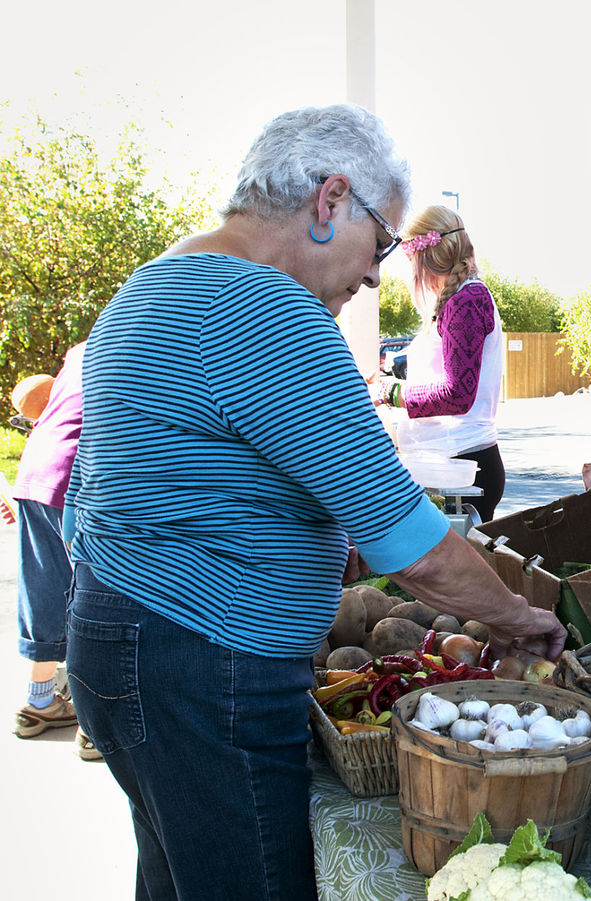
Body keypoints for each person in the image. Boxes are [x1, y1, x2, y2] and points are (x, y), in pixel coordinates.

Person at [63, 104, 565, 901]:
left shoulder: (154, 282)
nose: (375, 273)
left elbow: (156, 481)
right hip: (203, 663)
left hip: (125, 642)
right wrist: (522, 618)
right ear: (331, 202)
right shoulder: (263, 309)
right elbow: (420, 548)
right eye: (383, 242)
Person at [374, 205, 506, 521]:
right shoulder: (459, 300)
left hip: (460, 465)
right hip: (452, 463)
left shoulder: (467, 300)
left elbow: (457, 393)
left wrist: (392, 392)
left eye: (410, 261)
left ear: (425, 257)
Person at [10, 342, 101, 760]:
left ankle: (39, 702)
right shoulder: (129, 341)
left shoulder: (80, 349)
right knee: (93, 598)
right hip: (77, 475)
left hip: (35, 468)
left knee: (44, 586)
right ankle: (91, 725)